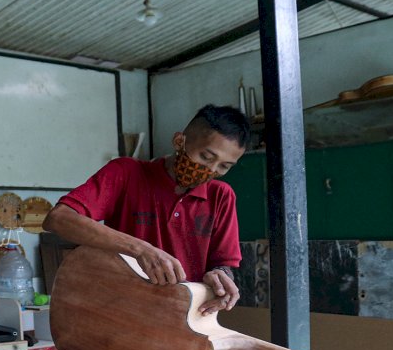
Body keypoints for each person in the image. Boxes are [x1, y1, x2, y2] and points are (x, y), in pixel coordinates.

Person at [43, 104, 250, 316]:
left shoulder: (221, 196)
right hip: (123, 315)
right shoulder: (127, 173)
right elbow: (58, 219)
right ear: (180, 141)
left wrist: (221, 276)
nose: (211, 170)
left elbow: (224, 264)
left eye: (224, 166)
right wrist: (141, 250)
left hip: (186, 319)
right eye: (206, 157)